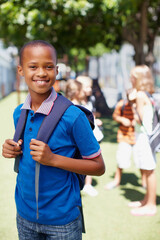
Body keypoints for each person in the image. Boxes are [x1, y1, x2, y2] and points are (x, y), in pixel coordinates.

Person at [2, 40, 105, 240]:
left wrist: (53, 159)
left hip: (62, 221)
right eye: (33, 67)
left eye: (48, 67)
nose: (41, 73)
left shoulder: (73, 116)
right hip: (24, 215)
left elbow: (98, 166)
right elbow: (27, 155)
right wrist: (12, 150)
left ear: (56, 70)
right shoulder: (18, 113)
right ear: (21, 70)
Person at [128, 65, 157, 216]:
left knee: (149, 170)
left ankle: (151, 205)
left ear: (138, 79)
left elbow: (138, 119)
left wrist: (132, 103)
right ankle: (146, 200)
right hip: (147, 136)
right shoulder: (147, 93)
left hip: (144, 136)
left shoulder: (139, 95)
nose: (130, 79)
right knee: (147, 169)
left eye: (132, 76)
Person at [104, 88, 146, 190]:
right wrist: (122, 119)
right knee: (121, 159)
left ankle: (144, 183)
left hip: (138, 136)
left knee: (141, 161)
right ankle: (116, 180)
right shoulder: (121, 104)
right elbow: (115, 116)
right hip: (124, 136)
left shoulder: (141, 105)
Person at [76, 76, 104, 197]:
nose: (90, 89)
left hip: (91, 136)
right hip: (80, 137)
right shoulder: (75, 103)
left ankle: (88, 184)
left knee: (91, 159)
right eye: (87, 86)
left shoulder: (89, 101)